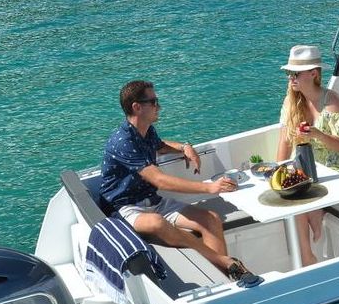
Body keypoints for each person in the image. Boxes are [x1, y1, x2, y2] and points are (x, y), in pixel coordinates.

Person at [101, 80, 261, 286]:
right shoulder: (122, 141)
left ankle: (223, 283)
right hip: (125, 209)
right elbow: (159, 180)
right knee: (158, 223)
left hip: (153, 201)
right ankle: (226, 262)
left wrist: (184, 147)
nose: (159, 106)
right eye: (153, 102)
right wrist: (209, 187)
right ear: (137, 107)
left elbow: (160, 146)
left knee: (211, 220)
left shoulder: (146, 130)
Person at [275, 45, 339, 267]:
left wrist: (317, 134)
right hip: (302, 168)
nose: (291, 78)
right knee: (289, 190)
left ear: (313, 74)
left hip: (331, 169)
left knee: (297, 195)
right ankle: (307, 254)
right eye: (289, 73)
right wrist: (278, 170)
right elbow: (284, 141)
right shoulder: (292, 101)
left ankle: (307, 252)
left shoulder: (332, 102)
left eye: (295, 73)